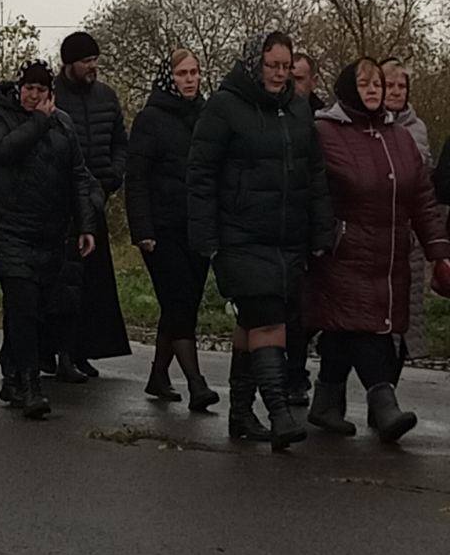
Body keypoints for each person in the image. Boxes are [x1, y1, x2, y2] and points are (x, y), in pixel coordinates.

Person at [187, 32, 334, 451]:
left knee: (251, 321)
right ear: (256, 63)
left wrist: (320, 229)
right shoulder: (225, 106)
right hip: (241, 235)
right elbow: (200, 175)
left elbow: (315, 174)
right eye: (273, 65)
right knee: (267, 319)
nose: (279, 74)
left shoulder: (298, 109)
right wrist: (206, 237)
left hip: (287, 237)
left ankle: (240, 412)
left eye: (286, 67)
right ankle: (278, 412)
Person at [307, 59, 450, 442]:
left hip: (389, 256)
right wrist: (326, 235)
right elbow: (310, 187)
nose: (373, 90)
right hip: (343, 253)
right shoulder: (325, 131)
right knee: (364, 327)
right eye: (365, 83)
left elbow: (421, 197)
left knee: (344, 328)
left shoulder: (399, 137)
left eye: (378, 85)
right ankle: (383, 402)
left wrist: (438, 248)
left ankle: (325, 402)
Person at [0, 63, 96, 418]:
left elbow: (78, 174)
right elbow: (2, 151)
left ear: (50, 93)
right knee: (23, 305)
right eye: (28, 89)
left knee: (37, 310)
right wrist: (38, 122)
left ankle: (13, 374)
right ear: (19, 89)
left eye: (40, 90)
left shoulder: (63, 123)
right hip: (9, 230)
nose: (34, 95)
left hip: (49, 233)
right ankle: (31, 386)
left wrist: (86, 223)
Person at [125, 51, 218, 411]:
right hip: (161, 230)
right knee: (178, 300)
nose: (190, 79)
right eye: (182, 73)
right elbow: (136, 178)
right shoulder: (151, 119)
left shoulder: (207, 115)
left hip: (197, 226)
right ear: (170, 78)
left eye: (194, 72)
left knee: (182, 306)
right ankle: (197, 384)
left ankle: (159, 376)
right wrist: (142, 228)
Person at [51, 31, 131, 379]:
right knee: (64, 283)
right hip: (61, 204)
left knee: (93, 284)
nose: (92, 67)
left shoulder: (106, 97)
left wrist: (112, 177)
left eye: (95, 60)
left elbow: (120, 143)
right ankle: (60, 352)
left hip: (96, 198)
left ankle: (84, 351)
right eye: (86, 61)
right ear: (69, 63)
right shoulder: (52, 98)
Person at [381, 58, 434, 362]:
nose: (397, 91)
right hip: (374, 228)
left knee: (404, 313)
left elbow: (419, 182)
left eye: (402, 86)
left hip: (406, 230)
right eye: (391, 85)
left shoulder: (416, 130)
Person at [285, 51, 324, 402]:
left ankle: (298, 374)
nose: (293, 84)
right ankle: (287, 375)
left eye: (299, 78)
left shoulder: (324, 122)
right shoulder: (273, 114)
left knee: (308, 308)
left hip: (313, 225)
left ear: (312, 81)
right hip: (280, 225)